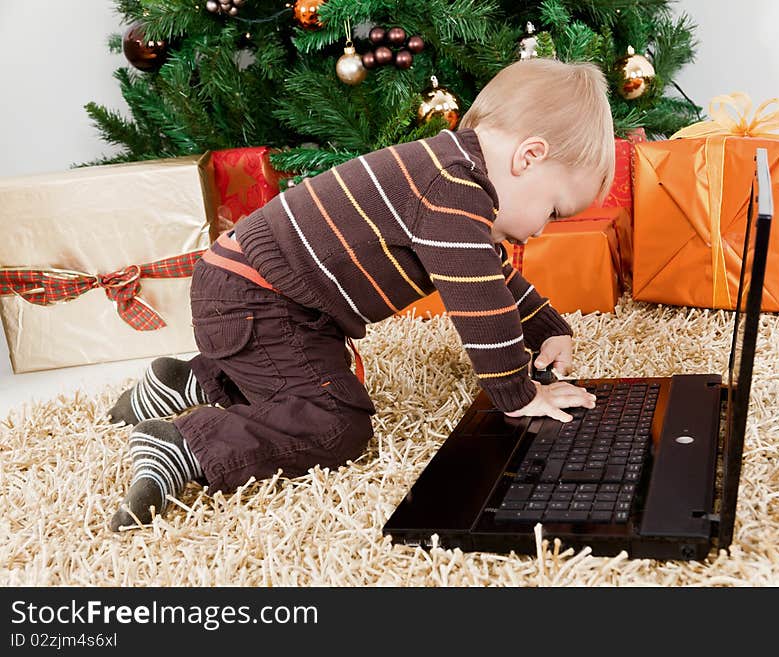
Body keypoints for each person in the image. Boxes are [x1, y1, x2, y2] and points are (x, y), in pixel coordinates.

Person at [106, 57, 616, 531]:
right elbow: (480, 303)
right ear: (529, 158)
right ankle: (182, 447)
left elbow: (490, 270)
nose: (543, 231)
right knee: (334, 424)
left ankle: (185, 383)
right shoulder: (452, 191)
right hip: (259, 300)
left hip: (259, 294)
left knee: (292, 372)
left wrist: (549, 327)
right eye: (553, 210)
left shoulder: (448, 172)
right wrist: (520, 395)